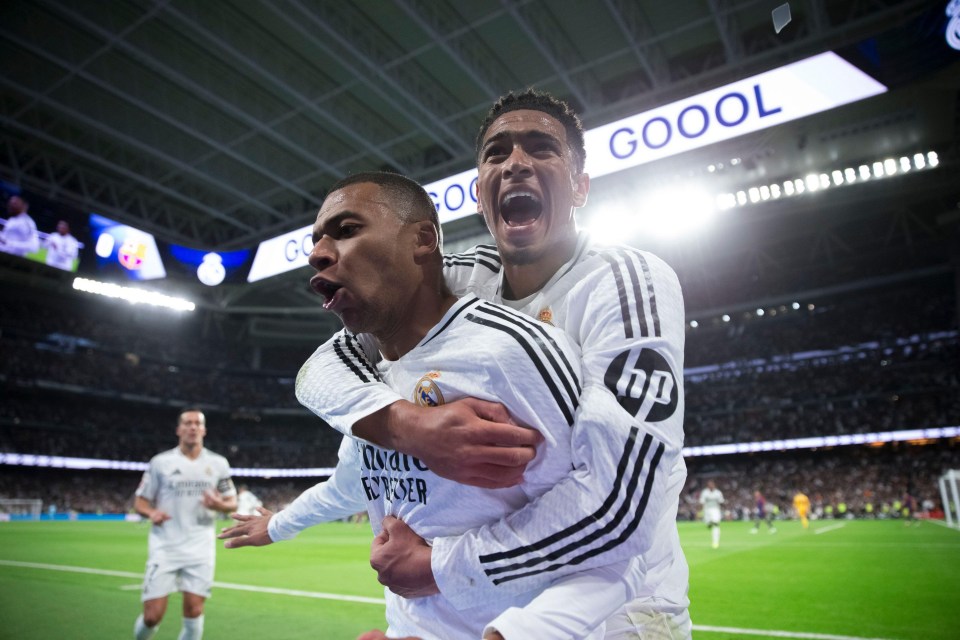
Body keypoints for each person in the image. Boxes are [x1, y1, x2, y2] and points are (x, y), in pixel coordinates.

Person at [293, 89, 690, 638]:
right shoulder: (461, 276)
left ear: (579, 185)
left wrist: (438, 567)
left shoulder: (626, 283)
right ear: (480, 191)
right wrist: (412, 427)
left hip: (616, 610)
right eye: (496, 153)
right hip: (488, 608)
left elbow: (620, 505)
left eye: (541, 148)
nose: (516, 162)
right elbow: (322, 367)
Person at [222, 171, 632, 640]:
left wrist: (503, 628)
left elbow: (610, 538)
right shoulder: (369, 388)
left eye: (347, 230)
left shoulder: (512, 353)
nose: (316, 254)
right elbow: (349, 485)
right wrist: (277, 525)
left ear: (422, 240)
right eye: (315, 241)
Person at [133, 409, 237, 640]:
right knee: (152, 616)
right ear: (179, 429)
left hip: (200, 547)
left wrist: (218, 504)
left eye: (197, 423)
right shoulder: (160, 463)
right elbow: (140, 501)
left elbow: (232, 503)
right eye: (187, 423)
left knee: (194, 611)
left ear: (204, 430)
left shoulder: (218, 463)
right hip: (165, 546)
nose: (192, 427)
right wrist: (152, 513)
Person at [699, 480, 724, 549]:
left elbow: (721, 502)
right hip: (707, 511)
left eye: (712, 484)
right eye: (709, 485)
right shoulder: (705, 492)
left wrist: (726, 512)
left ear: (714, 485)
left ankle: (715, 542)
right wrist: (700, 512)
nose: (711, 486)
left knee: (716, 525)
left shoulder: (718, 493)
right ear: (708, 486)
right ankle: (709, 523)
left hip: (716, 510)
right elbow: (701, 502)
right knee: (709, 525)